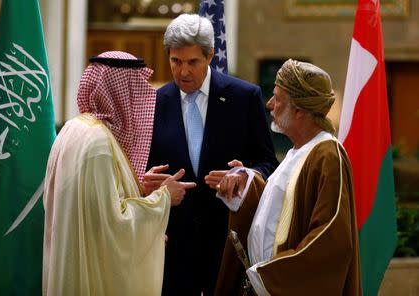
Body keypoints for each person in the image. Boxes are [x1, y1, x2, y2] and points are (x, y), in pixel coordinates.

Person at [143, 14, 279, 295]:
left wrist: (245, 175)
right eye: (175, 61)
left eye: (192, 62)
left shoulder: (244, 97)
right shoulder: (153, 103)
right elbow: (143, 169)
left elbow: (268, 163)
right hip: (172, 249)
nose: (183, 72)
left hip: (226, 245)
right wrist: (146, 182)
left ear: (210, 56)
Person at [42, 51, 196, 296]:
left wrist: (140, 187)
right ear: (119, 92)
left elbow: (91, 209)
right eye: (135, 91)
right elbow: (112, 225)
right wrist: (164, 198)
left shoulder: (74, 128)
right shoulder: (98, 144)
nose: (140, 100)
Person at [215, 59, 362, 295]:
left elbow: (331, 237)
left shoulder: (327, 154)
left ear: (298, 110)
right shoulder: (298, 151)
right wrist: (246, 183)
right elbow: (280, 209)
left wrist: (271, 277)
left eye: (277, 98)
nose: (269, 104)